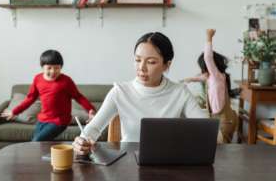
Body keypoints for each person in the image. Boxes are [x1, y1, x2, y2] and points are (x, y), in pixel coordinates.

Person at [73, 32, 209, 156]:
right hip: (128, 164)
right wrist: (82, 141)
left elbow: (207, 130)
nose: (141, 68)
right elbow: (94, 128)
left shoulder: (180, 92)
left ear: (166, 65)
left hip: (168, 163)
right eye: (138, 60)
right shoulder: (120, 92)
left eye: (151, 62)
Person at [1, 49, 96, 141]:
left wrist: (91, 110)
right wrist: (15, 111)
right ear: (42, 67)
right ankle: (50, 157)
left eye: (57, 68)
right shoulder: (37, 79)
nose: (53, 71)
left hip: (60, 121)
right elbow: (30, 98)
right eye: (49, 68)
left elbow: (78, 97)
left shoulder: (66, 81)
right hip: (43, 119)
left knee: (36, 141)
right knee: (36, 145)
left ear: (61, 67)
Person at [184, 29, 237, 143]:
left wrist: (209, 37)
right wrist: (190, 79)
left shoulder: (216, 76)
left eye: (202, 68)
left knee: (220, 152)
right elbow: (202, 77)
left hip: (224, 122)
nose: (202, 72)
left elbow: (208, 57)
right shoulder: (215, 78)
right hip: (223, 120)